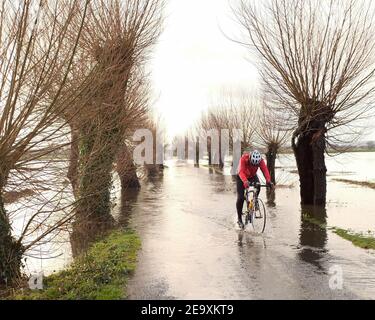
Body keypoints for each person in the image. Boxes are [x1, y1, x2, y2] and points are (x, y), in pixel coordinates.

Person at [236, 150, 274, 229]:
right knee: (240, 198)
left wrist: (268, 181)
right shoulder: (244, 159)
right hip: (241, 176)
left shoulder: (260, 161)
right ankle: (239, 219)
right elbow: (241, 172)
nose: (254, 166)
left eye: (255, 165)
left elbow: (265, 170)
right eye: (252, 164)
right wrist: (245, 181)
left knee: (258, 185)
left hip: (252, 176)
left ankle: (255, 200)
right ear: (250, 159)